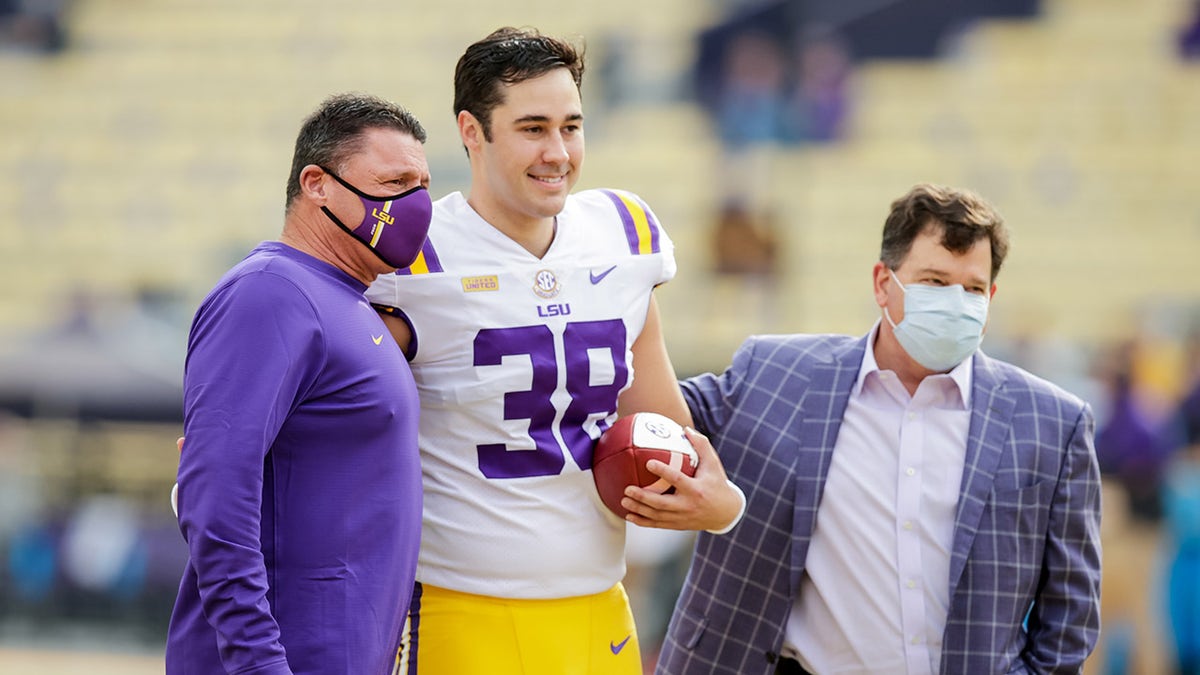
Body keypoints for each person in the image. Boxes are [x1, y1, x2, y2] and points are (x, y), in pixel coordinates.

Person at [365, 27, 745, 675]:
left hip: (599, 606)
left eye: (571, 126)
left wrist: (720, 505)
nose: (558, 151)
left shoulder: (623, 233)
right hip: (464, 606)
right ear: (472, 131)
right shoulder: (411, 256)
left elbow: (665, 426)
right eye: (533, 128)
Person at [648, 183, 1103, 674]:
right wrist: (634, 300)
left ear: (991, 297)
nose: (955, 302)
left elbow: (1069, 621)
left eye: (972, 289)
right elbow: (660, 419)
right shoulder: (776, 374)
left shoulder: (1054, 423)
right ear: (883, 283)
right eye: (933, 281)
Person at [166, 92, 433, 675]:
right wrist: (257, 663)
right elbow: (215, 495)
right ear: (316, 183)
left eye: (423, 186)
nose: (415, 204)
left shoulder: (355, 303)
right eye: (395, 184)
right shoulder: (270, 293)